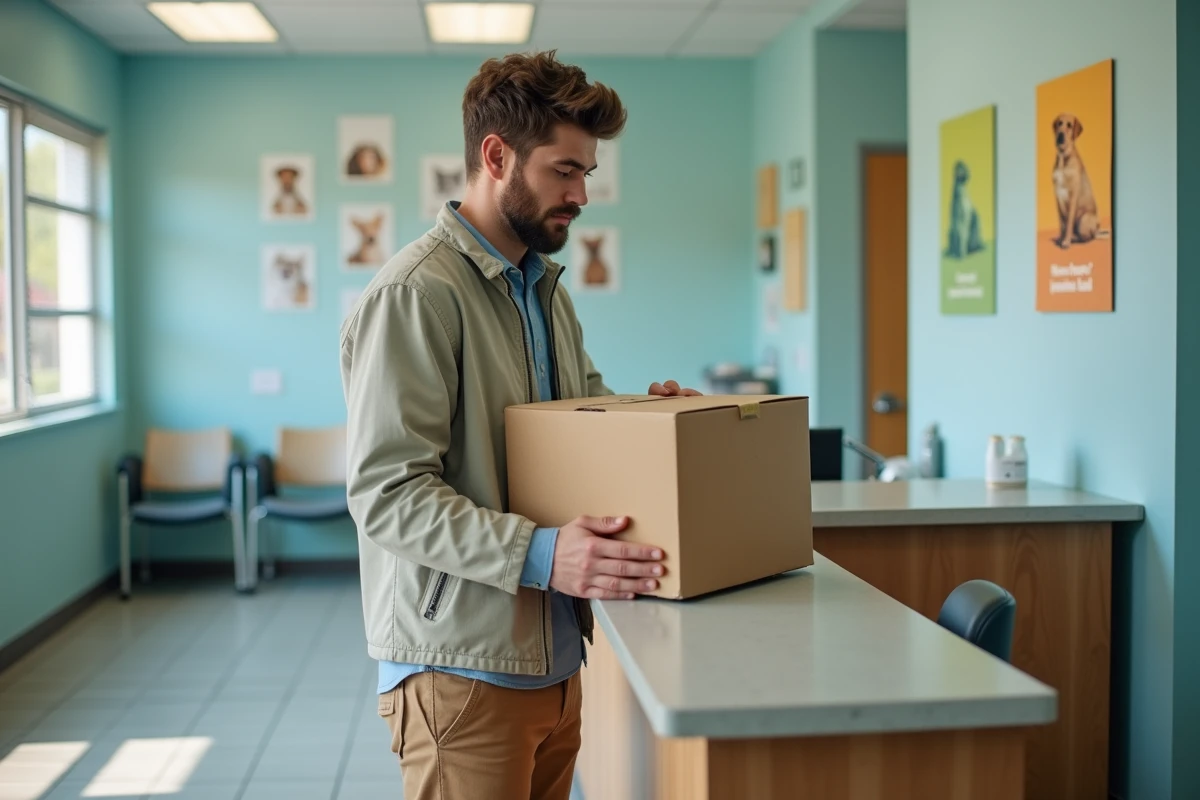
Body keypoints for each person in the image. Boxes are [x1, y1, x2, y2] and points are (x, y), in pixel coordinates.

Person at [339, 50, 701, 800]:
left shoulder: (544, 289)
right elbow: (387, 494)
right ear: (496, 156)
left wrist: (657, 414)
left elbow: (579, 421)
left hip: (554, 657)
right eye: (564, 171)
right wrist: (542, 556)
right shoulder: (415, 294)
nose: (581, 195)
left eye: (586, 175)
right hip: (460, 671)